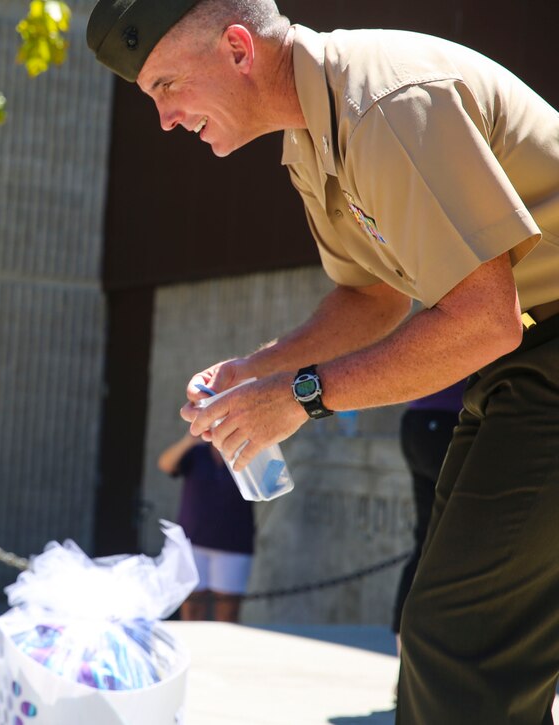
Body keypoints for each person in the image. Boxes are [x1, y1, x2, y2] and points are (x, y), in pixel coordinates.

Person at [87, 1, 559, 721]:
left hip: (535, 347)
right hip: (527, 356)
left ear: (239, 49)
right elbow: (371, 299)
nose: (164, 119)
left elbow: (481, 320)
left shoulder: (384, 105)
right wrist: (255, 370)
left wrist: (299, 396)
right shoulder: (313, 131)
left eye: (165, 87)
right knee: (457, 632)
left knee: (458, 638)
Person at [391, 379, 467, 650]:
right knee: (457, 540)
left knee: (427, 540)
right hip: (445, 423)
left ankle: (405, 664)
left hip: (417, 422)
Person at [158, 433, 255, 622]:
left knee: (227, 613)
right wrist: (188, 440)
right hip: (193, 541)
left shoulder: (246, 454)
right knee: (191, 608)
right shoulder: (197, 453)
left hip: (234, 543)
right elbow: (165, 464)